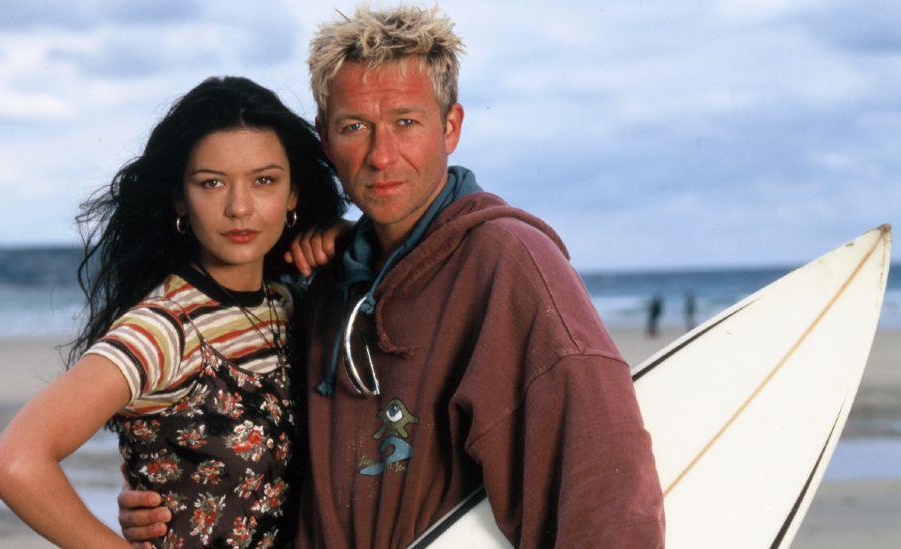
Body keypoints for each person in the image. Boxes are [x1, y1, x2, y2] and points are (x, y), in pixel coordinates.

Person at [121, 6, 665, 547]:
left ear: (449, 128)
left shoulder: (508, 264)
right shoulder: (329, 280)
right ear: (326, 141)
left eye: (406, 122)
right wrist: (173, 491)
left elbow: (606, 494)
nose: (382, 156)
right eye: (355, 127)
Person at [0, 76, 345, 548]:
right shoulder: (164, 328)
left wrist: (348, 236)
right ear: (180, 198)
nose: (240, 207)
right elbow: (13, 462)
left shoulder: (287, 304)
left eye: (264, 181)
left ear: (293, 194)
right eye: (211, 183)